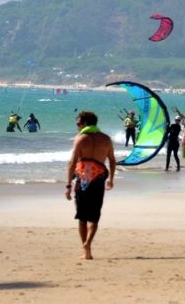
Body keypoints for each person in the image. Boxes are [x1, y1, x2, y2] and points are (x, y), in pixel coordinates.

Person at [65, 110, 116, 260]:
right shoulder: (106, 139)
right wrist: (111, 179)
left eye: (78, 124)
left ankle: (86, 250)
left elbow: (72, 163)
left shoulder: (80, 139)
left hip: (82, 181)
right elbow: (112, 160)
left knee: (82, 217)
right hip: (98, 180)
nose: (77, 127)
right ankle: (88, 243)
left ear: (85, 124)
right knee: (94, 217)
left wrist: (68, 185)